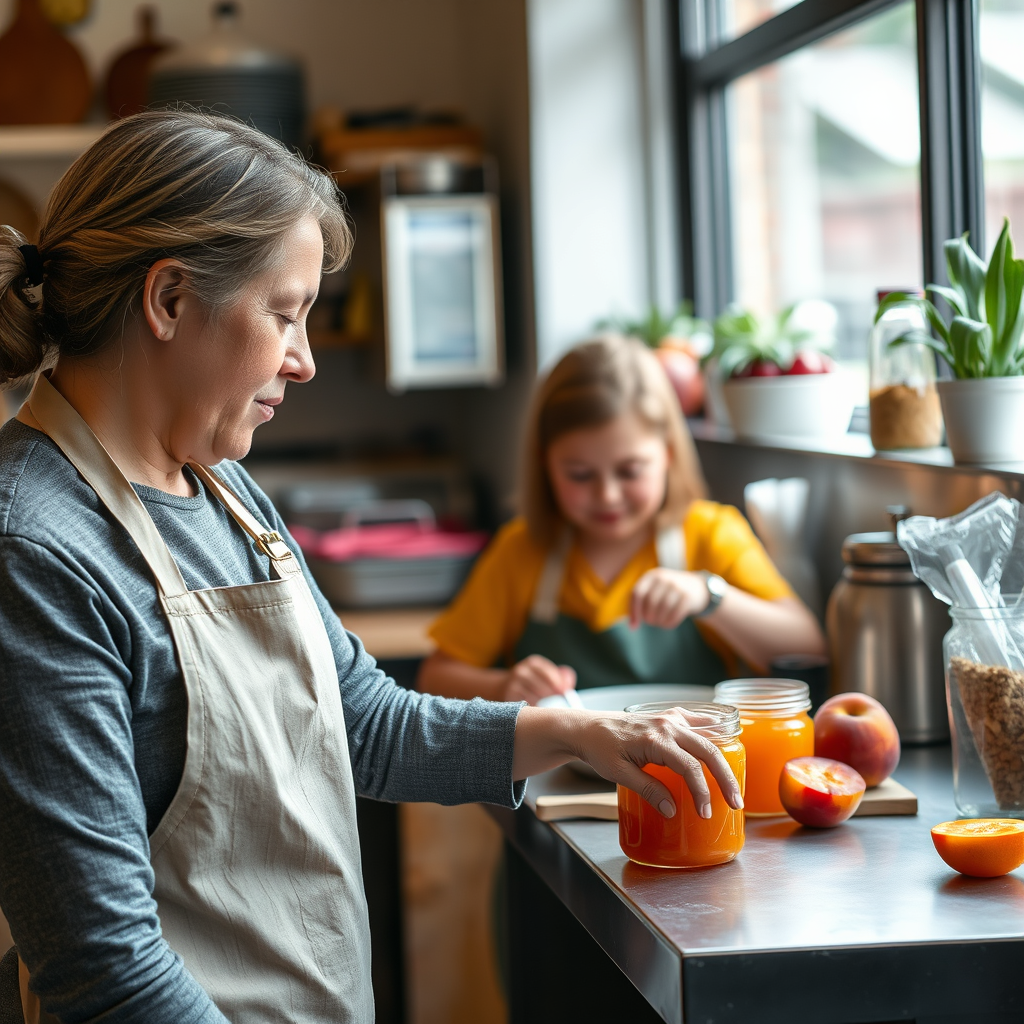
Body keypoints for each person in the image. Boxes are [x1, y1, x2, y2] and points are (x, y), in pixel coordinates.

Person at [0, 112, 743, 1024]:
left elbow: (368, 726)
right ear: (169, 300)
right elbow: (104, 971)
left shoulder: (226, 492)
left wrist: (576, 734)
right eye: (285, 313)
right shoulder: (36, 553)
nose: (305, 361)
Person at [419, 336, 826, 704]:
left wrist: (710, 596)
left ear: (667, 453)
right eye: (580, 474)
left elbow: (809, 650)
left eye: (630, 471)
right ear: (545, 464)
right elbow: (434, 677)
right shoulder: (522, 550)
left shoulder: (709, 534)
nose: (607, 495)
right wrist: (503, 687)